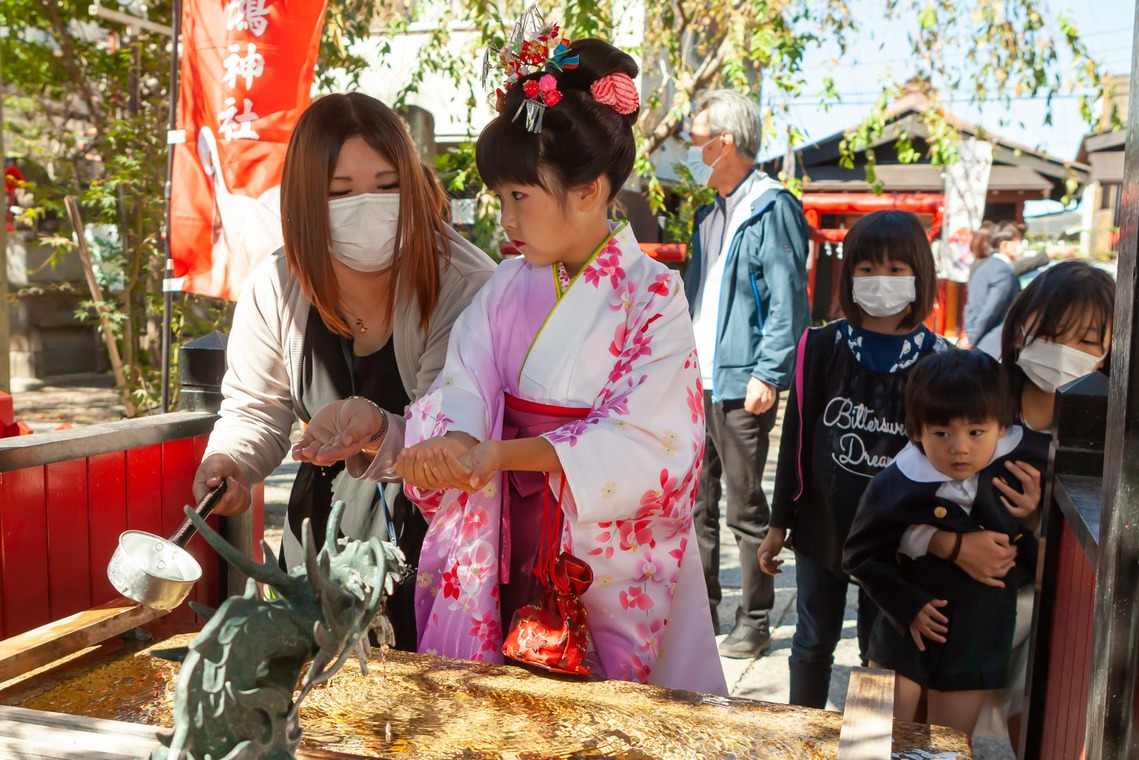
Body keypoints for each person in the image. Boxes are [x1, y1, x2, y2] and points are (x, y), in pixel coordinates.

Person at [364, 32, 726, 694]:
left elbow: (651, 441)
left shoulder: (651, 294)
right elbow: (464, 387)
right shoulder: (506, 286)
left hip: (598, 550)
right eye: (500, 198)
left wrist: (498, 456)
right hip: (503, 536)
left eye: (518, 198)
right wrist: (450, 442)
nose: (505, 218)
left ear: (588, 191)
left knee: (609, 715)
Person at [193, 93, 496, 651]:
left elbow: (454, 436)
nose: (369, 205)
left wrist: (379, 429)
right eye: (340, 193)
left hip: (437, 539)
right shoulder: (278, 284)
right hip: (320, 538)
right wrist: (231, 461)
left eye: (387, 186)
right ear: (307, 201)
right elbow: (255, 406)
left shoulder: (466, 284)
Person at [915, 260, 1114, 748]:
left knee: (1040, 720)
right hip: (950, 598)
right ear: (1022, 325)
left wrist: (1033, 520)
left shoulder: (1109, 426)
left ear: (1113, 348)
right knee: (928, 733)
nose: (1066, 351)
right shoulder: (977, 396)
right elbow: (904, 494)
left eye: (1087, 340)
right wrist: (952, 546)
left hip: (1047, 607)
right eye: (1053, 331)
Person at [760, 210, 945, 707]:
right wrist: (780, 523)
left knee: (879, 650)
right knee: (812, 640)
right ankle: (802, 732)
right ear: (849, 274)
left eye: (895, 269)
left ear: (920, 276)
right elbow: (796, 440)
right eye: (866, 268)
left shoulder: (937, 360)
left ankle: (867, 742)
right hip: (822, 529)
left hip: (895, 540)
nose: (880, 281)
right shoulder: (819, 347)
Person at [843, 349, 1045, 735]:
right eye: (941, 433)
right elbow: (859, 553)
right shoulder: (896, 482)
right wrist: (908, 607)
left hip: (976, 632)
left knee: (948, 745)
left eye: (975, 431)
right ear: (916, 432)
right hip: (900, 632)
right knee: (870, 740)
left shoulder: (1020, 471)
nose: (960, 448)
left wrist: (1031, 516)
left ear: (1000, 428)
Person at [683, 89, 810, 658]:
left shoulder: (772, 206)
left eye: (695, 138)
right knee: (698, 503)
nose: (691, 150)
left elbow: (788, 301)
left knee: (744, 506)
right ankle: (702, 610)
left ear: (724, 142)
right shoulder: (709, 216)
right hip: (698, 380)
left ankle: (754, 619)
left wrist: (770, 372)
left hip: (741, 382)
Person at [961, 220, 1024, 355]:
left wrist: (970, 334)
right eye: (1018, 241)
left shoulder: (984, 267)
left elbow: (970, 306)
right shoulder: (1003, 271)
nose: (1021, 245)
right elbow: (990, 310)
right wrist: (972, 339)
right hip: (994, 347)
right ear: (1005, 245)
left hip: (981, 343)